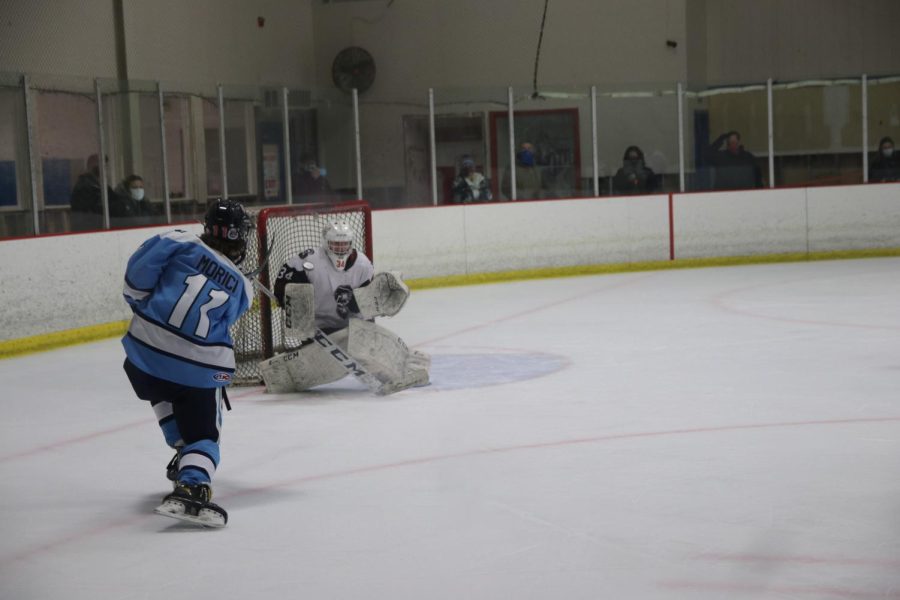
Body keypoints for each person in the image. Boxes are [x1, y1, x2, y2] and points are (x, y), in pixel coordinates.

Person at [121, 199, 253, 528]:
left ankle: (182, 449)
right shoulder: (243, 286)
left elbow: (135, 283)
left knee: (162, 381)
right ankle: (194, 482)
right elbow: (226, 319)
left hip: (143, 358)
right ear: (239, 237)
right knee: (205, 437)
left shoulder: (177, 240)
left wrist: (152, 316)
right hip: (199, 368)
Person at [260, 221, 429, 394]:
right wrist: (292, 302)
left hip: (349, 326)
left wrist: (372, 318)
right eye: (336, 244)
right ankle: (282, 371)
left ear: (351, 243)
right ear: (326, 243)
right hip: (316, 328)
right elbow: (281, 287)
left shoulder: (363, 265)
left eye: (344, 244)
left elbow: (365, 305)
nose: (340, 248)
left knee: (364, 351)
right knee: (322, 360)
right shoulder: (307, 261)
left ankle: (408, 364)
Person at [70, 154, 115, 230]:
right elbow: (88, 210)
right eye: (102, 165)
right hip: (89, 230)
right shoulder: (84, 185)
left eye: (105, 166)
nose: (105, 169)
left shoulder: (101, 185)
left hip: (99, 227)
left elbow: (114, 200)